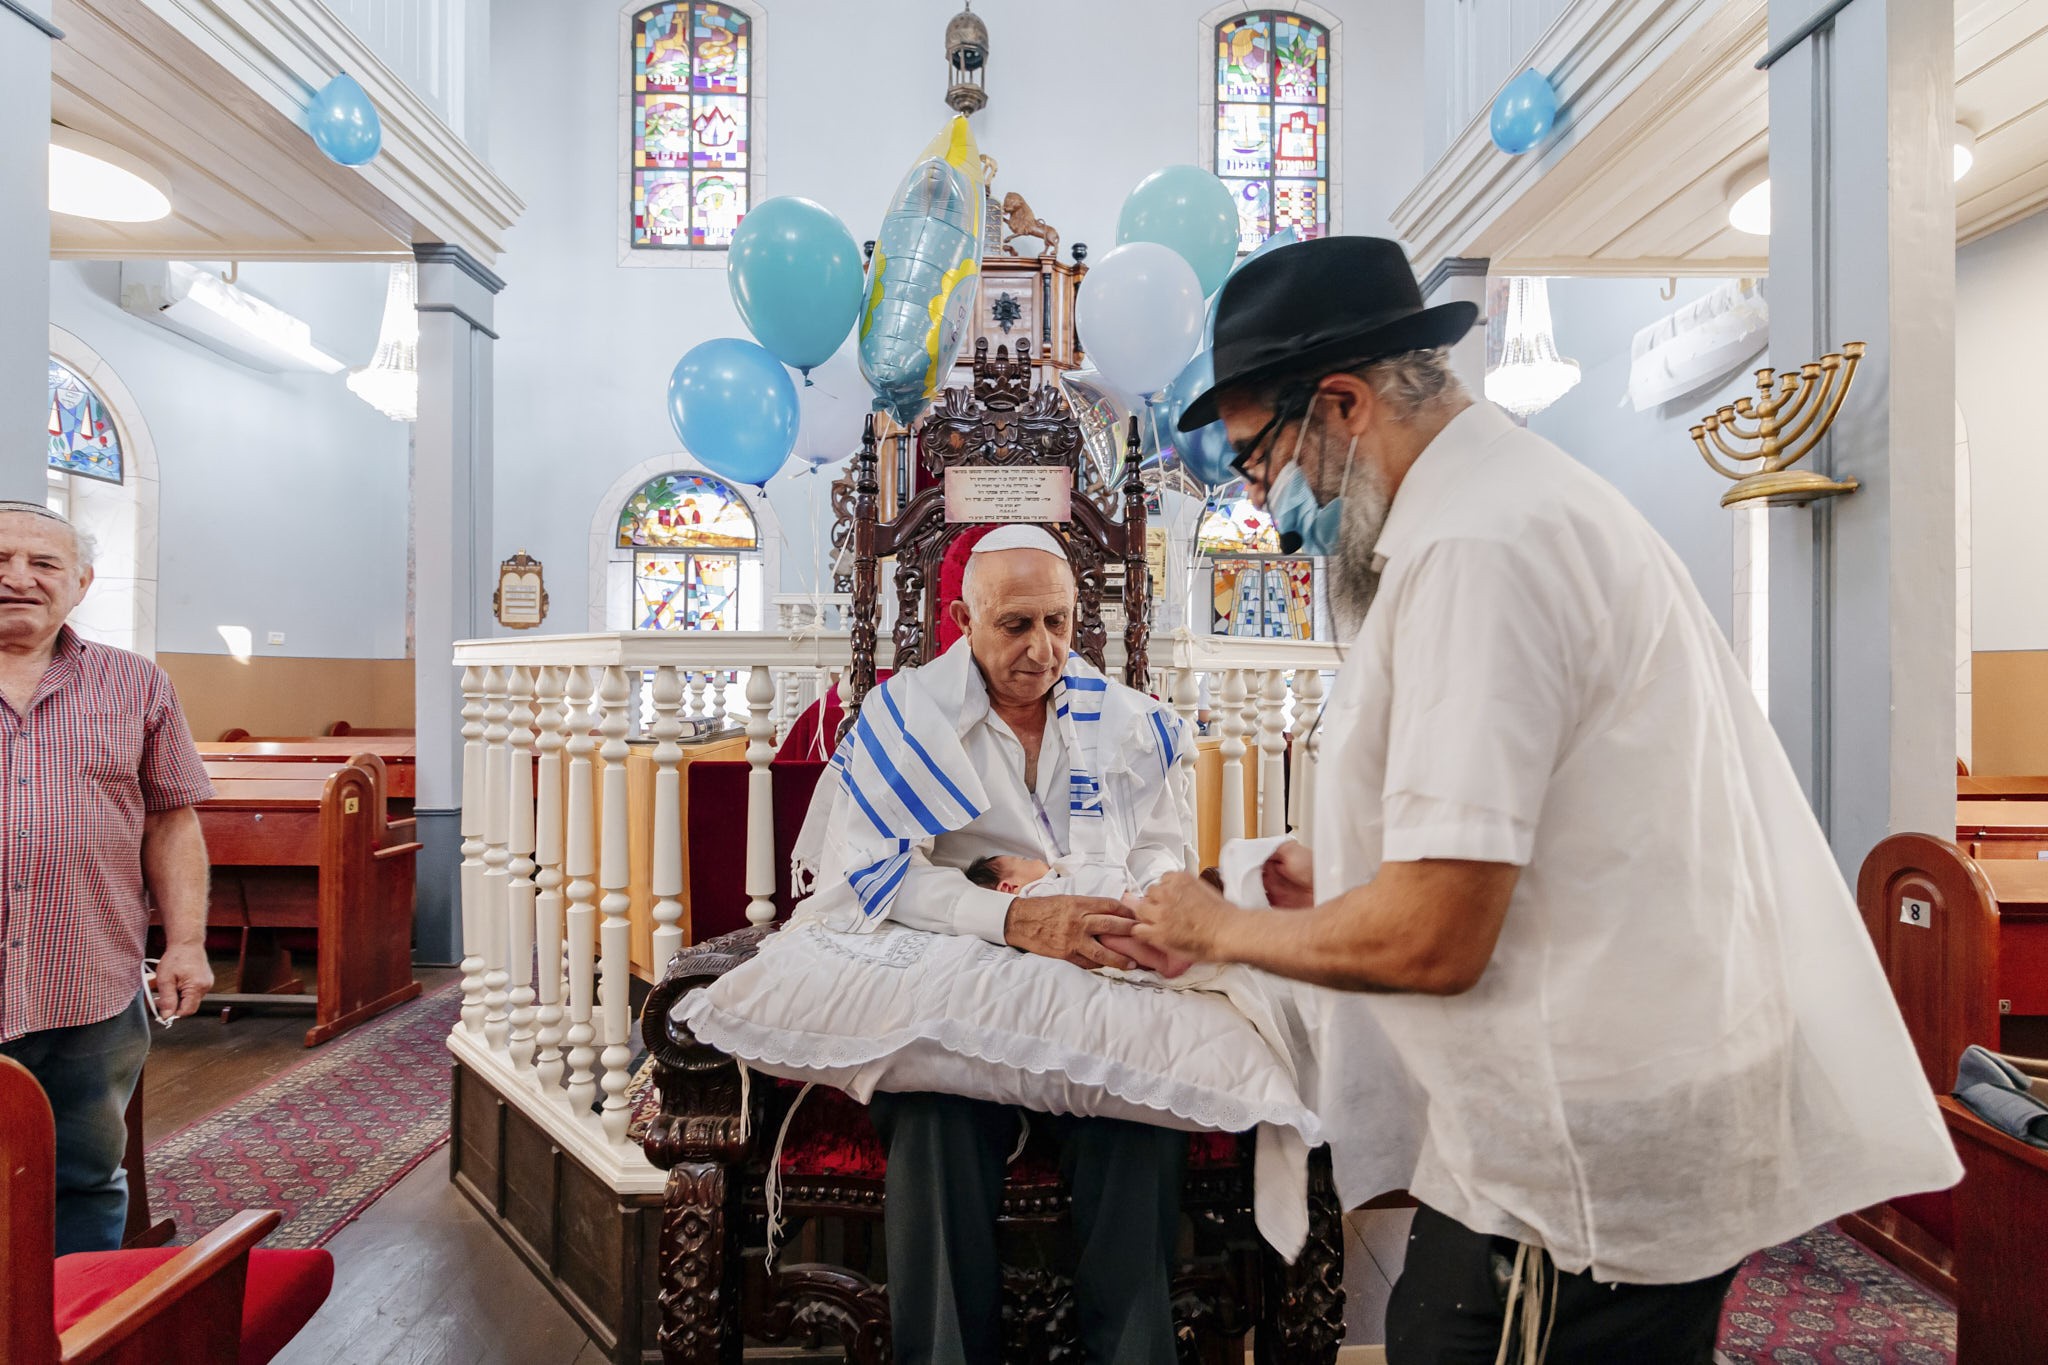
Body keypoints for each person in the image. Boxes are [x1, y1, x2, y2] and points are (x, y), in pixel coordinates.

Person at [1127, 237, 1962, 1363]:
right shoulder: (1501, 503)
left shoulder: (1480, 548)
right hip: (1593, 1120)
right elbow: (1553, 818)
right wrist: (1345, 868)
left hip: (1580, 1161)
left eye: (1257, 456)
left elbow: (1434, 936)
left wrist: (1218, 928)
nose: (1264, 502)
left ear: (1342, 404)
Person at [789, 526, 1192, 1365]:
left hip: (1094, 988)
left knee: (1140, 1111)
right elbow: (877, 878)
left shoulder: (1127, 722)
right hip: (958, 982)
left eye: (1059, 621)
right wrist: (1014, 919)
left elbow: (1160, 850)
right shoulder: (906, 717)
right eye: (1016, 625)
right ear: (962, 619)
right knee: (934, 1111)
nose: (1043, 649)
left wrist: (1146, 898)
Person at [0, 502, 215, 1254]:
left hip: (87, 977)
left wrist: (186, 942)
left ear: (82, 582)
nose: (18, 578)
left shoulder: (134, 684)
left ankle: (78, 1310)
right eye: (0, 560)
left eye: (43, 563)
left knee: (86, 1174)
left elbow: (171, 821)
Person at [964, 852, 1194, 978]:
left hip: (1107, 908)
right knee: (1129, 931)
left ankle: (1163, 956)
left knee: (1136, 928)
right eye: (1022, 859)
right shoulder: (1034, 894)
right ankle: (1165, 959)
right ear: (1008, 887)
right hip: (1100, 916)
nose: (1033, 859)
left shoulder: (1047, 885)